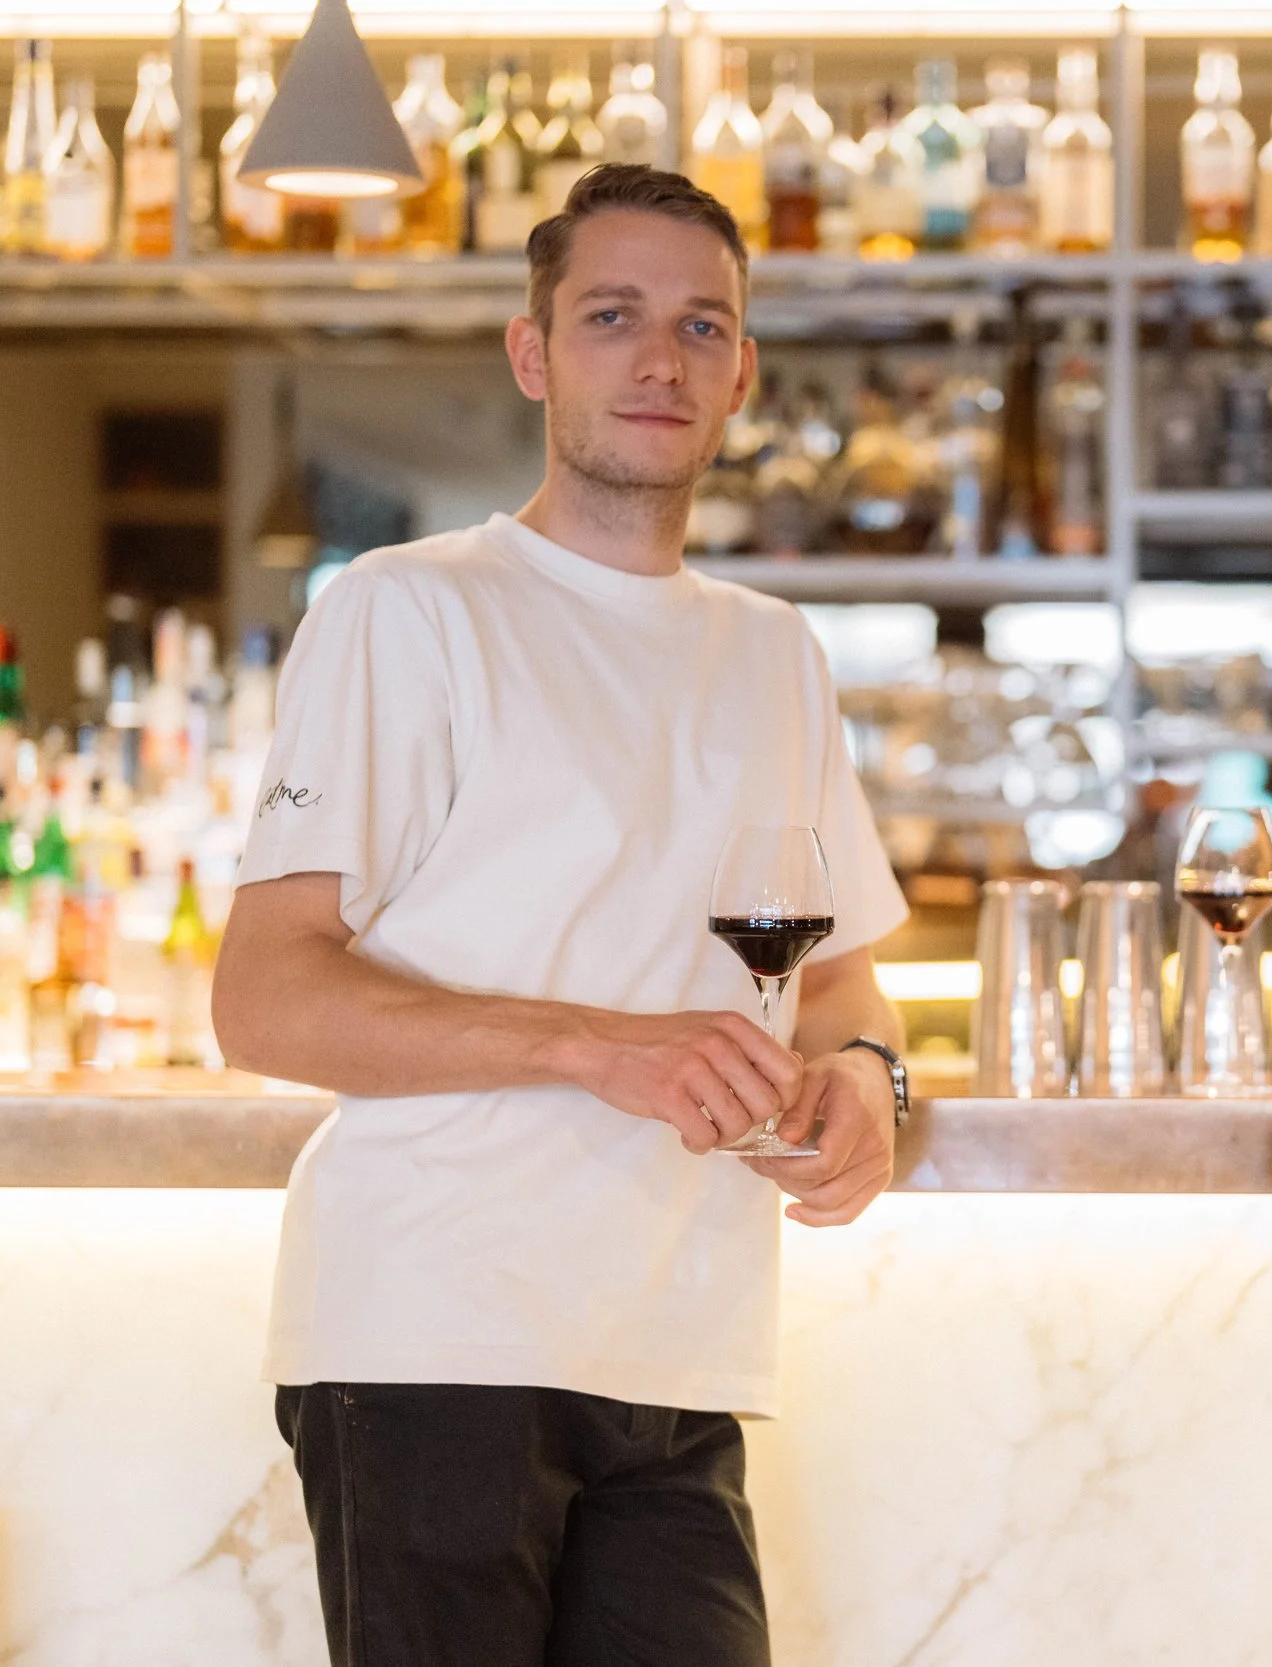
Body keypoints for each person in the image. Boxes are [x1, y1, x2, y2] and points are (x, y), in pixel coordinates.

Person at [211, 164, 911, 1667]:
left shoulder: (775, 652)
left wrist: (866, 1082)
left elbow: (844, 984)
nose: (659, 358)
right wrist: (606, 1046)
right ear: (534, 355)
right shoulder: (405, 611)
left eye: (700, 324)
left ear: (742, 374)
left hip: (683, 1350)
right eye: (612, 315)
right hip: (432, 1341)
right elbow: (266, 997)